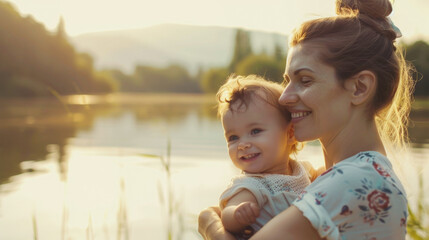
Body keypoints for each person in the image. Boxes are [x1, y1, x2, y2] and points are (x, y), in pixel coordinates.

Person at [198, 0, 414, 239]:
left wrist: (209, 222)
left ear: (359, 87)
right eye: (287, 80)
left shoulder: (352, 181)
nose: (284, 97)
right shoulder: (355, 174)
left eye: (305, 80)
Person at [216, 75, 314, 238]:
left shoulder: (301, 170)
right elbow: (226, 215)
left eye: (255, 131)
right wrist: (237, 214)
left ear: (290, 133)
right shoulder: (252, 186)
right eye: (233, 137)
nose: (243, 144)